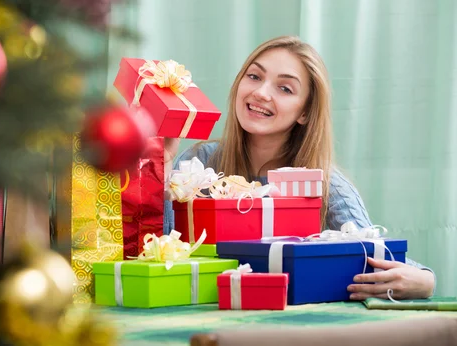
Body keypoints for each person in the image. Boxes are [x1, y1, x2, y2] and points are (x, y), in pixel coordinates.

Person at [163, 36, 435, 300]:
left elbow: (376, 256)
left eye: (285, 89)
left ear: (305, 112)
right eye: (255, 76)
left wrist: (425, 279)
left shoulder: (326, 183)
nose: (260, 93)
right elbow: (157, 251)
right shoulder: (200, 162)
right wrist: (160, 174)